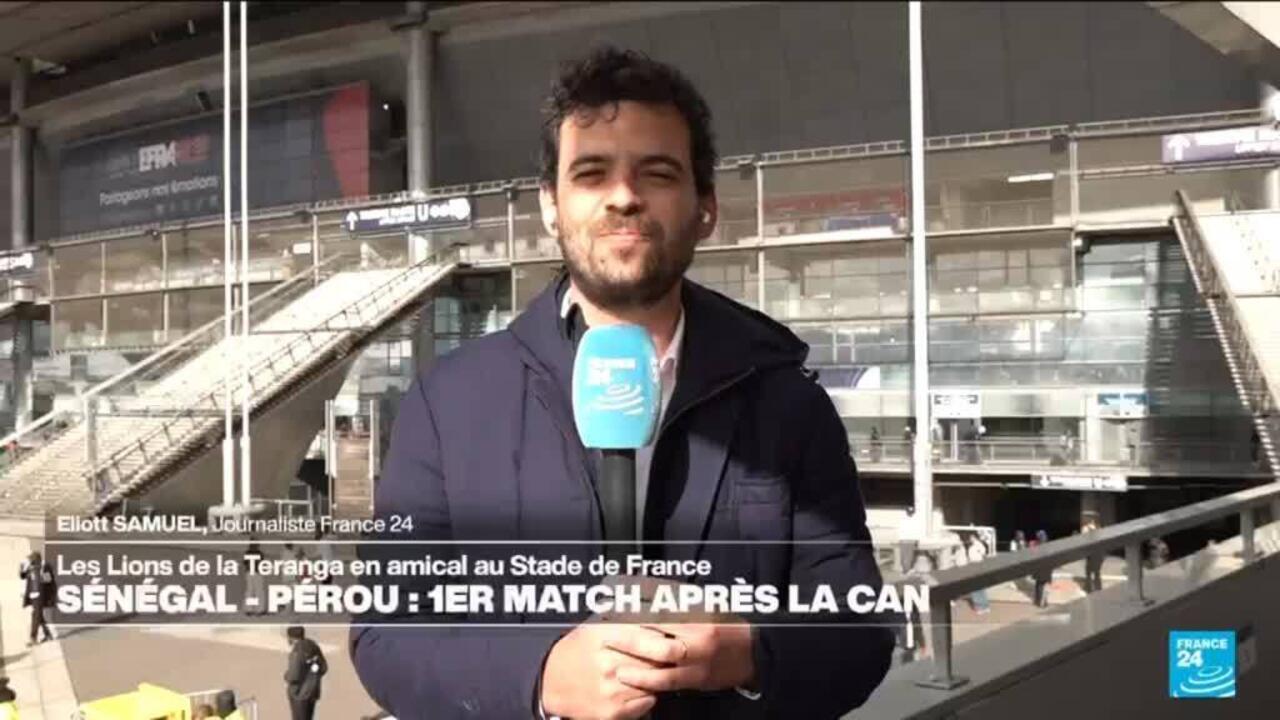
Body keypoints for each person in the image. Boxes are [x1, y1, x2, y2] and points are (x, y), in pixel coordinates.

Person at [351, 46, 893, 720]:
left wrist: (748, 650)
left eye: (658, 172)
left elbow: (861, 628)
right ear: (551, 205)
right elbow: (385, 633)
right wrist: (540, 677)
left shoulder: (786, 400)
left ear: (706, 207)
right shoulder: (447, 403)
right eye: (591, 172)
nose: (624, 196)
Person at [285, 626, 326, 720]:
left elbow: (294, 676)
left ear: (292, 638)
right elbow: (323, 668)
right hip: (312, 692)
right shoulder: (313, 646)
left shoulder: (296, 652)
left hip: (299, 695)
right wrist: (313, 673)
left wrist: (286, 676)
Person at [19, 551, 55, 646]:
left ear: (36, 560)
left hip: (40, 595)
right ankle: (48, 635)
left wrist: (40, 575)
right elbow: (22, 576)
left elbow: (49, 580)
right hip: (33, 596)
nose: (30, 561)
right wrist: (22, 568)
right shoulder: (31, 568)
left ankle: (33, 638)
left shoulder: (44, 568)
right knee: (38, 616)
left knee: (35, 616)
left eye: (31, 559)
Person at [966, 534, 991, 614]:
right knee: (981, 587)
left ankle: (980, 607)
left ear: (974, 537)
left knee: (975, 588)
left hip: (975, 566)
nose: (970, 539)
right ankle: (985, 606)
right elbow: (984, 554)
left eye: (971, 537)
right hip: (978, 566)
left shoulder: (975, 546)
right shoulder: (979, 545)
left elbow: (981, 555)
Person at [1081, 517, 1103, 593]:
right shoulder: (1099, 528)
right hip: (1098, 553)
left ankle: (1089, 588)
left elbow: (1084, 539)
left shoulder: (1087, 529)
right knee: (1096, 572)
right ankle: (1097, 588)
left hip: (1092, 552)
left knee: (1089, 571)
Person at [1031, 530, 1051, 608]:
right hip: (1046, 568)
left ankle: (1038, 600)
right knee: (1043, 585)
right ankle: (1042, 602)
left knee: (1038, 584)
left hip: (1039, 568)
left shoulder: (1036, 545)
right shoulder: (1048, 546)